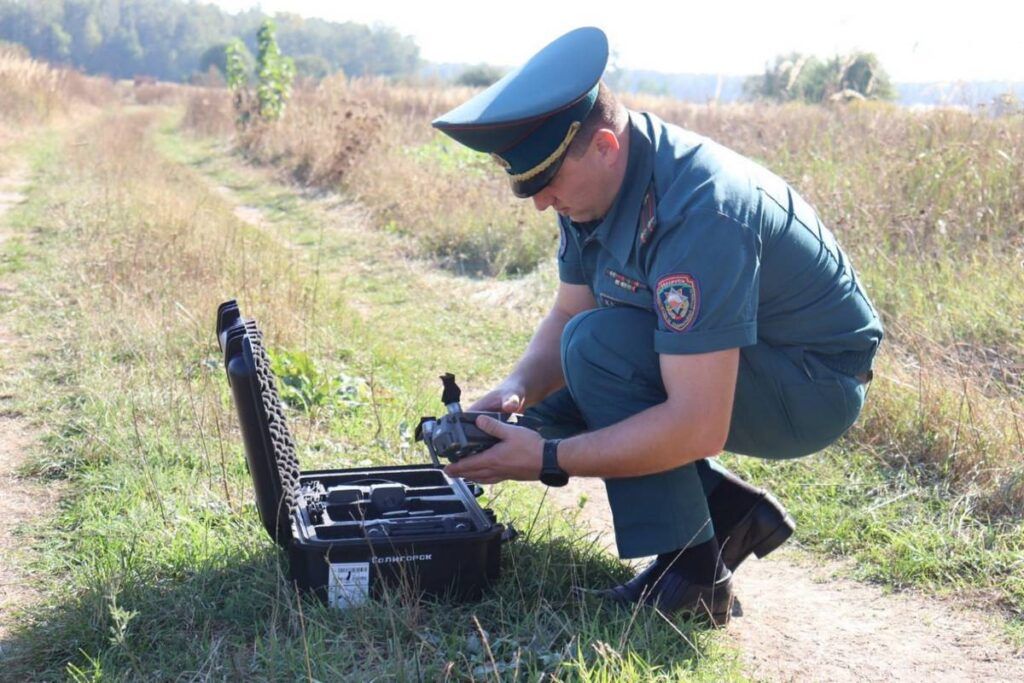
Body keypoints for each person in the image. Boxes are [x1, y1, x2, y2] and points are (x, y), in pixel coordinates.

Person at [433, 27, 882, 626]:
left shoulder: (702, 212)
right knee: (574, 360)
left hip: (808, 383)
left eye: (547, 182)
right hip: (745, 361)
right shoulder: (592, 189)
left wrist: (548, 458)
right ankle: (724, 509)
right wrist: (514, 393)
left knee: (597, 353)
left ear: (605, 147)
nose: (542, 204)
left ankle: (693, 577)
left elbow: (697, 424)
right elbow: (572, 309)